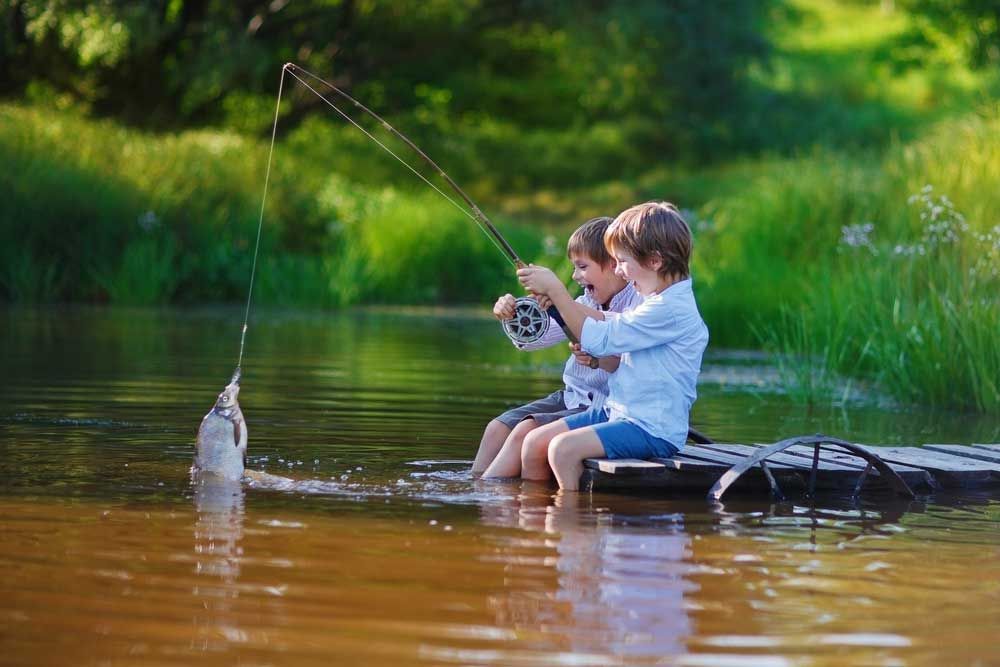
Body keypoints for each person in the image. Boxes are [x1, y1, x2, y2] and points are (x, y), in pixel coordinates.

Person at [515, 201, 709, 490]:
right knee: (534, 441)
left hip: (650, 427)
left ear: (654, 261)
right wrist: (561, 304)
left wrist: (557, 290)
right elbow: (609, 330)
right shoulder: (657, 299)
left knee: (563, 450)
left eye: (622, 261)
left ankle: (571, 524)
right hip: (618, 411)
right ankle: (535, 517)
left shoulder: (670, 308)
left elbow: (601, 339)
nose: (619, 271)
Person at [472, 217, 641, 478]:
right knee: (497, 428)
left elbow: (617, 328)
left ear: (612, 264)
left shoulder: (637, 303)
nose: (575, 276)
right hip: (571, 397)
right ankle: (474, 486)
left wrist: (560, 297)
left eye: (582, 267)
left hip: (603, 406)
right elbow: (535, 339)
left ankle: (488, 497)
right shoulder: (585, 300)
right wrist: (513, 314)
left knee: (523, 432)